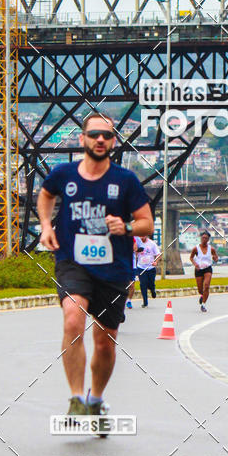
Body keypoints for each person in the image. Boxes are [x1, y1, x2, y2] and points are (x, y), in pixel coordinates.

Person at [37, 113, 153, 422]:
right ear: (82, 139)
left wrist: (126, 226)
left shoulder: (125, 180)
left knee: (104, 343)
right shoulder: (64, 174)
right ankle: (76, 397)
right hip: (73, 262)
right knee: (73, 318)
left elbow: (147, 223)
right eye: (94, 134)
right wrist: (46, 225)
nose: (100, 139)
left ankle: (96, 398)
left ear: (113, 141)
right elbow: (45, 195)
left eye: (107, 135)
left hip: (113, 269)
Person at [190, 230, 218, 312]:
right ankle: (202, 295)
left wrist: (215, 258)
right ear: (201, 238)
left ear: (208, 239)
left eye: (206, 238)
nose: (204, 239)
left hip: (207, 268)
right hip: (198, 269)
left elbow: (216, 258)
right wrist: (195, 264)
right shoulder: (196, 248)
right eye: (203, 238)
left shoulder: (211, 249)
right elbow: (191, 258)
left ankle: (203, 305)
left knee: (206, 285)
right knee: (200, 290)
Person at [135, 235, 161, 307]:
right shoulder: (137, 244)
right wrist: (136, 251)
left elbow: (158, 254)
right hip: (141, 267)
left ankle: (153, 290)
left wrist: (156, 262)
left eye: (143, 235)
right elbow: (134, 254)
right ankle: (145, 302)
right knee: (143, 284)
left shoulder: (152, 243)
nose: (141, 237)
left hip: (150, 268)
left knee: (151, 283)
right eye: (140, 236)